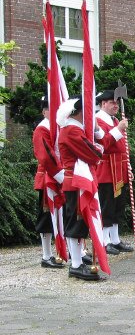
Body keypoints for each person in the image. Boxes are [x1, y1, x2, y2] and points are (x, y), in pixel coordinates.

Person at [57, 96, 103, 280]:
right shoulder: (71, 131)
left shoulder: (74, 129)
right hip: (75, 181)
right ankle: (75, 264)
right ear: (77, 113)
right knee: (75, 221)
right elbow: (93, 154)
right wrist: (98, 147)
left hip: (77, 180)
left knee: (79, 221)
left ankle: (77, 261)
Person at [94, 90, 133, 255]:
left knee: (118, 206)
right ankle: (105, 240)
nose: (116, 105)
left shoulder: (115, 120)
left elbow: (123, 148)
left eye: (117, 103)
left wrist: (128, 166)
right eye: (112, 102)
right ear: (103, 104)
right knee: (107, 206)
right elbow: (104, 143)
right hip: (106, 169)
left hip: (119, 168)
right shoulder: (97, 121)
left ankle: (115, 239)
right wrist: (118, 129)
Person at [32, 97, 66, 269]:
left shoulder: (57, 127)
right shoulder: (42, 128)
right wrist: (61, 175)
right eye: (50, 109)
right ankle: (46, 255)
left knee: (61, 215)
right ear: (44, 111)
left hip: (60, 175)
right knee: (46, 216)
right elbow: (45, 156)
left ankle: (63, 250)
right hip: (48, 178)